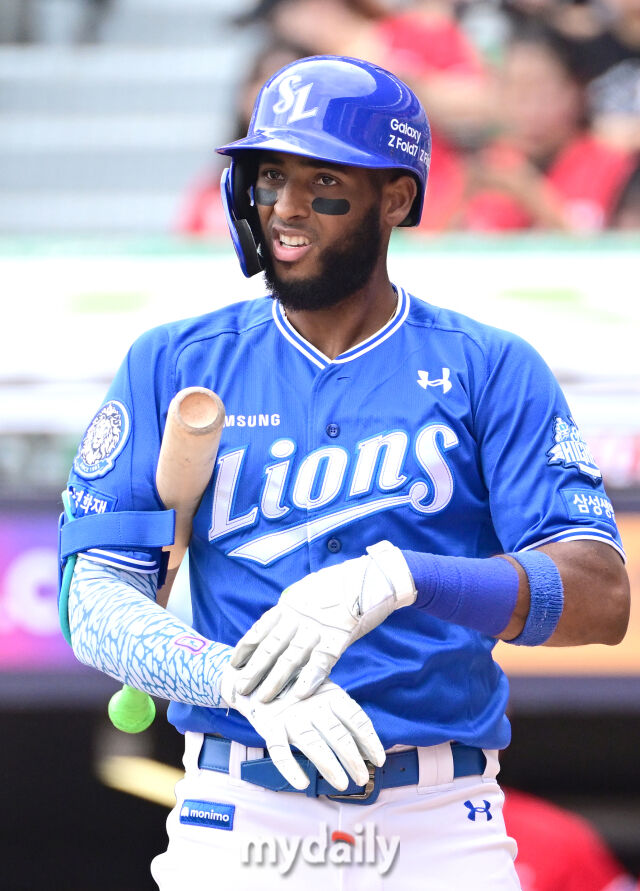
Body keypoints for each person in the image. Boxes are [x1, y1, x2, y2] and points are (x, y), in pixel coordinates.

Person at [60, 55, 630, 890]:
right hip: (238, 809)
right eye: (270, 176)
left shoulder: (489, 365)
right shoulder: (175, 361)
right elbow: (92, 598)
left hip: (437, 818)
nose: (287, 207)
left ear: (395, 198)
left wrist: (403, 578)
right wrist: (237, 682)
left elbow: (602, 597)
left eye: (323, 181)